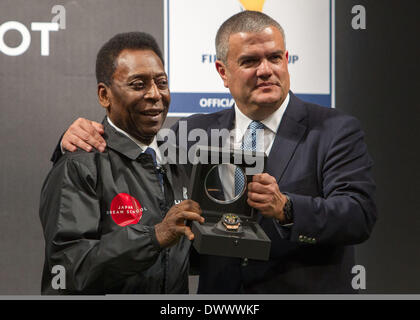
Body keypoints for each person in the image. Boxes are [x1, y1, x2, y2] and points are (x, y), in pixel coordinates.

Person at [51, 11, 377, 293]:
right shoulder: (191, 133)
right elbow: (132, 152)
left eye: (275, 57)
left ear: (287, 60)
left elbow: (358, 216)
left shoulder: (334, 130)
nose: (266, 70)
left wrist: (287, 208)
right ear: (223, 72)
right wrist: (74, 135)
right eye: (250, 61)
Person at [39, 32, 204, 294]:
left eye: (161, 82)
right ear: (105, 95)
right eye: (138, 84)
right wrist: (154, 237)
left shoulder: (180, 161)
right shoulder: (79, 165)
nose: (154, 94)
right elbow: (66, 271)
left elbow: (182, 258)